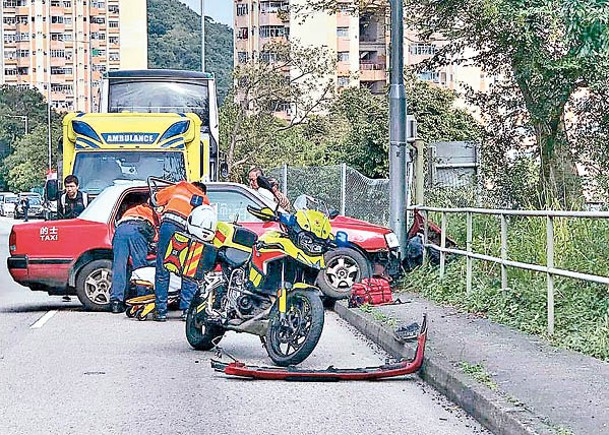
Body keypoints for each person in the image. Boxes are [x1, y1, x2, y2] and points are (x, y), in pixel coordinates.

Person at [153, 180, 209, 322]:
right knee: (188, 270)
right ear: (202, 191)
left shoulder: (178, 187)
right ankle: (186, 310)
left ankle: (160, 311)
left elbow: (155, 199)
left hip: (168, 226)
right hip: (188, 231)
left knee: (163, 267)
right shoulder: (204, 199)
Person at [109, 202, 160, 314]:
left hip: (120, 230)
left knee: (119, 266)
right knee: (140, 267)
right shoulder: (153, 212)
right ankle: (142, 300)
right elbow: (156, 235)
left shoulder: (132, 209)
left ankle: (116, 302)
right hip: (137, 229)